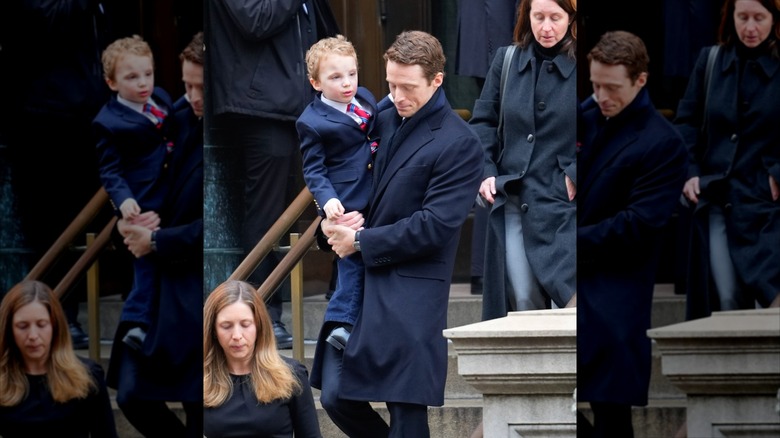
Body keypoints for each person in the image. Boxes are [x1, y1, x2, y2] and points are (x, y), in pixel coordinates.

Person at [319, 30, 484, 438]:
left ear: (437, 80)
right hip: (360, 286)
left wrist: (360, 241)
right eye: (391, 83)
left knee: (407, 417)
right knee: (335, 398)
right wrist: (330, 224)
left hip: (411, 294)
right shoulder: (383, 115)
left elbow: (435, 226)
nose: (396, 95)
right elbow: (350, 181)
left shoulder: (460, 142)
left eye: (407, 87)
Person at [206, 0, 340, 350]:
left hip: (304, 102)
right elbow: (256, 20)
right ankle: (264, 310)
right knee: (269, 215)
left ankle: (342, 293)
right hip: (261, 107)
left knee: (334, 192)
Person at [576, 30, 689, 438]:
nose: (601, 95)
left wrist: (570, 242)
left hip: (616, 294)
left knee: (610, 413)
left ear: (640, 80)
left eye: (612, 87)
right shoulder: (585, 115)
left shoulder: (663, 143)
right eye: (594, 84)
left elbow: (637, 225)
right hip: (574, 285)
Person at [1, 0, 118, 350]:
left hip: (90, 117)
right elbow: (42, 21)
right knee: (50, 224)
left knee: (85, 222)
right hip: (44, 121)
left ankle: (74, 309)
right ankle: (58, 314)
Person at [106, 31, 204, 437]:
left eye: (201, 86)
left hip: (194, 287)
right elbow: (133, 175)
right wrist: (124, 223)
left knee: (199, 405)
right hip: (153, 289)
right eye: (186, 84)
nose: (192, 95)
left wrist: (159, 240)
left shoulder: (230, 134)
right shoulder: (174, 117)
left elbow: (225, 225)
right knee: (131, 395)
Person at [469, 0, 577, 320]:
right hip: (514, 198)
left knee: (570, 304)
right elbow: (483, 124)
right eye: (538, 16)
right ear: (525, 16)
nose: (546, 27)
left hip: (565, 202)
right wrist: (486, 171)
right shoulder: (506, 59)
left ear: (571, 19)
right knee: (523, 300)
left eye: (555, 18)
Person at [675, 0, 780, 320]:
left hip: (768, 203)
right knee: (726, 296)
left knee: (772, 296)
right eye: (742, 17)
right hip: (718, 198)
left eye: (759, 18)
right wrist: (690, 172)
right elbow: (686, 124)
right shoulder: (710, 61)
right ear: (730, 17)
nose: (750, 28)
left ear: (774, 20)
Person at [93, 34, 175, 352]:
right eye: (131, 77)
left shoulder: (164, 100)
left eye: (148, 73)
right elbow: (110, 171)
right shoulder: (108, 122)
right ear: (112, 83)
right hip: (141, 204)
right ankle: (137, 323)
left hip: (170, 198)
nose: (143, 83)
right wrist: (124, 201)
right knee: (145, 263)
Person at [297, 34, 377, 361]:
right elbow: (314, 170)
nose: (347, 83)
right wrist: (327, 202)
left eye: (352, 74)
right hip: (347, 200)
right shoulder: (312, 122)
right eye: (335, 77)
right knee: (352, 260)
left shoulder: (368, 98)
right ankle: (341, 325)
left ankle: (362, 324)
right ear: (316, 83)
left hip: (379, 190)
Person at [203, 280, 321, 438]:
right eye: (226, 326)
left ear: (259, 326)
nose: (237, 336)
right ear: (213, 330)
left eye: (245, 324)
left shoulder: (291, 375)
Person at [0, 280, 117, 437]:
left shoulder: (87, 376)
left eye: (42, 325)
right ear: (9, 329)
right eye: (22, 326)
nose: (33, 336)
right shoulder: (2, 380)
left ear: (55, 326)